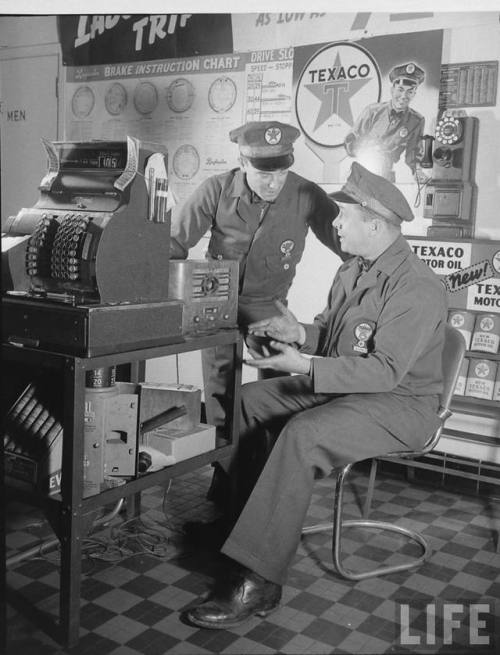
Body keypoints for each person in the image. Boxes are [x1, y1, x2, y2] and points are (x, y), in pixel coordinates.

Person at [183, 162, 448, 630]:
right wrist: (298, 332)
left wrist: (304, 365)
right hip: (350, 388)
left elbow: (385, 370)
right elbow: (329, 333)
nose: (336, 223)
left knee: (303, 434)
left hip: (402, 404)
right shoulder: (352, 270)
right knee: (249, 400)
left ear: (375, 224)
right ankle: (237, 522)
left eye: (344, 216)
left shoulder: (416, 285)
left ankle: (258, 579)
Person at [170, 121, 341, 500]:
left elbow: (348, 244)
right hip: (216, 299)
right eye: (264, 173)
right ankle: (224, 473)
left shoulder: (306, 193)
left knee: (273, 390)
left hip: (268, 304)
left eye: (280, 172)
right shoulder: (215, 189)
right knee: (220, 390)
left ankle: (263, 475)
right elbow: (173, 242)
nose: (273, 182)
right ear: (242, 162)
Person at [344, 62, 426, 182]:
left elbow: (414, 153)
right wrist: (367, 149)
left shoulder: (416, 121)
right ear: (392, 90)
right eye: (400, 89)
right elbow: (351, 141)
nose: (404, 96)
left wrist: (417, 171)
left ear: (414, 94)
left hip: (387, 177)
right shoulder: (372, 111)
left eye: (410, 91)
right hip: (362, 173)